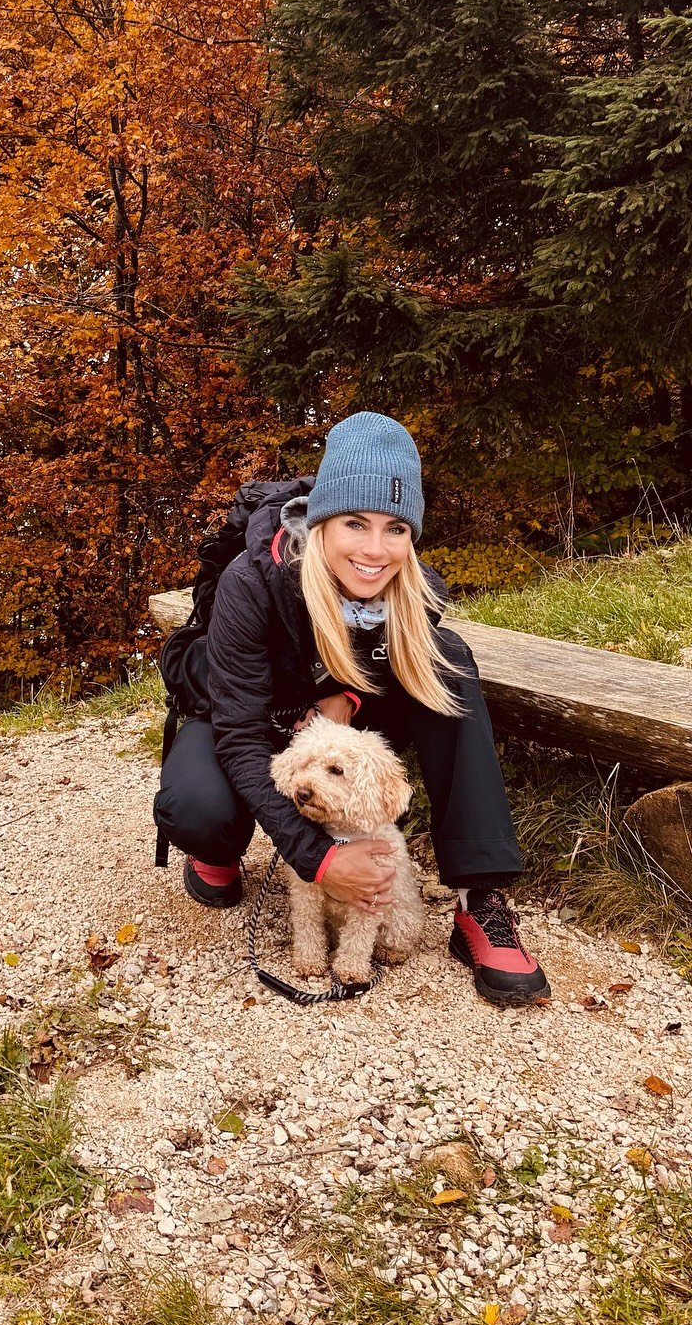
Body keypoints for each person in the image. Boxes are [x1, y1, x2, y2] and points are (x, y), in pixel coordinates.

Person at [153, 411, 550, 1007]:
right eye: (355, 523)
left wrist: (351, 697)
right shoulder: (253, 580)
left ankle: (480, 898)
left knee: (448, 661)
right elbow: (237, 733)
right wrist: (319, 859)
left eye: (396, 529)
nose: (374, 549)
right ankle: (216, 850)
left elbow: (387, 673)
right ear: (320, 520)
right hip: (249, 719)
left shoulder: (415, 590)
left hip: (335, 730)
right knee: (195, 808)